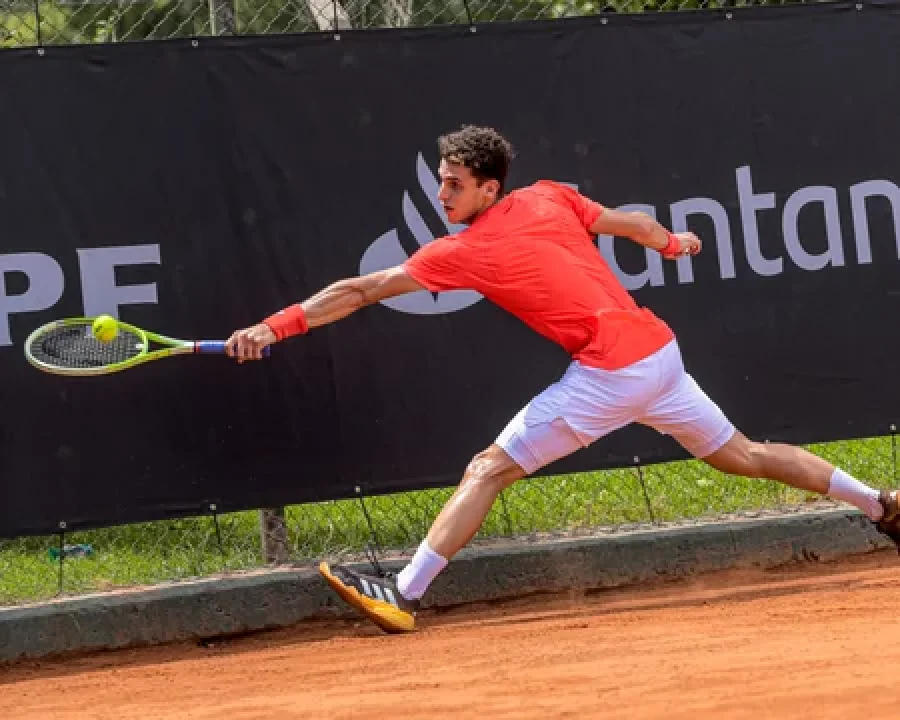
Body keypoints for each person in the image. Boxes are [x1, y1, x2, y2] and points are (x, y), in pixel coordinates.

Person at [225, 125, 900, 634]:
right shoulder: (549, 196)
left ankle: (403, 592)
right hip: (657, 354)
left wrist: (273, 326)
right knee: (745, 455)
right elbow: (627, 223)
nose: (441, 193)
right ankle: (881, 504)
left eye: (455, 183)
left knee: (487, 469)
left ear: (490, 188)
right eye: (441, 180)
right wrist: (670, 242)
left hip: (613, 370)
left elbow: (361, 289)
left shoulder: (463, 250)